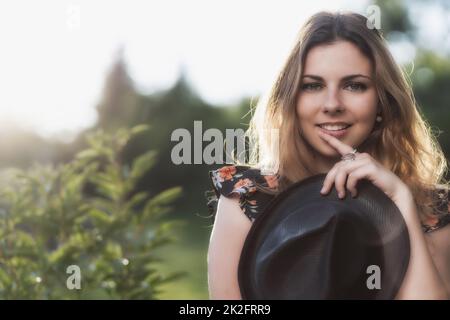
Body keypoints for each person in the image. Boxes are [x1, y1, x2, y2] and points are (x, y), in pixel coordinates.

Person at [206, 11, 450, 300]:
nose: (332, 104)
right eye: (313, 85)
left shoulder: (433, 209)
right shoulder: (248, 197)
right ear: (290, 99)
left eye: (354, 85)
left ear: (383, 100)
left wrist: (400, 202)